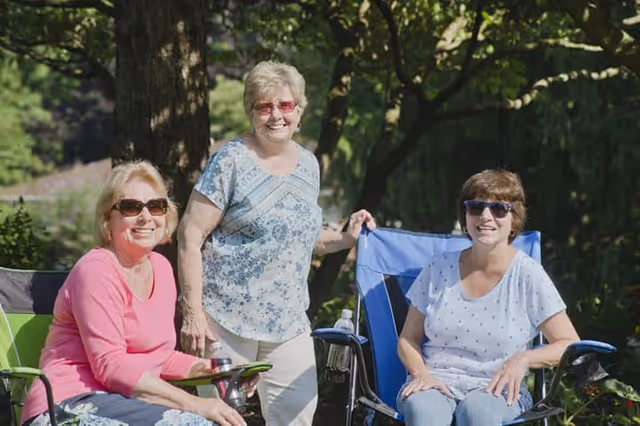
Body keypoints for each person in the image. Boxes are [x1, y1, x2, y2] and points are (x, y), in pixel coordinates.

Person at [178, 60, 375, 426]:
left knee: (298, 417)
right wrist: (193, 313)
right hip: (225, 319)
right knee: (222, 419)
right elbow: (190, 234)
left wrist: (346, 236)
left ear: (299, 110)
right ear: (251, 112)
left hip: (288, 322)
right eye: (264, 107)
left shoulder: (308, 164)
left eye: (285, 106)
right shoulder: (230, 161)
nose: (276, 116)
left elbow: (300, 238)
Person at [21, 161, 249, 426]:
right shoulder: (96, 270)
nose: (145, 217)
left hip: (122, 404)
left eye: (155, 206)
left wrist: (217, 370)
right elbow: (111, 366)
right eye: (131, 207)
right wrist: (196, 404)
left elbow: (159, 357)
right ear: (108, 219)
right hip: (66, 404)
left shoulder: (161, 269)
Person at [396, 169, 580, 426]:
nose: (485, 216)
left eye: (498, 208)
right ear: (465, 215)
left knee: (478, 413)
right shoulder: (438, 267)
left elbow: (569, 344)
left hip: (497, 389)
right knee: (424, 410)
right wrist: (420, 374)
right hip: (435, 382)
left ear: (514, 218)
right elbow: (408, 339)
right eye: (475, 207)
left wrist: (524, 358)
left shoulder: (527, 275)